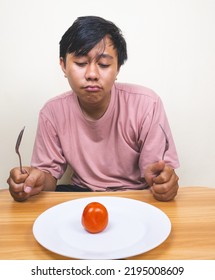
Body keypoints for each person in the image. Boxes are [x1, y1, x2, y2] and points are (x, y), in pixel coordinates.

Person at [7, 15, 179, 202]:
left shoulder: (147, 104)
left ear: (118, 68)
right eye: (81, 63)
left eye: (103, 64)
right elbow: (48, 180)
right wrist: (34, 181)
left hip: (135, 195)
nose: (91, 74)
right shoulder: (52, 112)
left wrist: (165, 182)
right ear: (63, 66)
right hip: (81, 193)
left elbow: (156, 173)